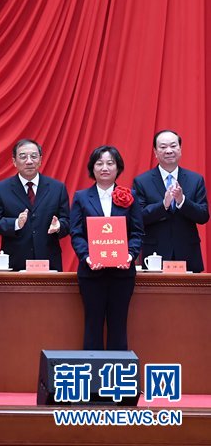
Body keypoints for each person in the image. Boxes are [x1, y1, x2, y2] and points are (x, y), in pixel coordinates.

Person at [70, 145, 144, 350]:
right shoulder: (81, 197)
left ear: (118, 168)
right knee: (92, 326)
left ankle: (118, 370)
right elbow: (76, 233)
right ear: (92, 168)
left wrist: (129, 255)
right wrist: (87, 257)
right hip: (91, 273)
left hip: (122, 274)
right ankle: (92, 369)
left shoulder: (130, 196)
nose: (104, 168)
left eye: (110, 163)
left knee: (118, 326)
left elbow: (137, 233)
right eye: (99, 163)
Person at [133, 130, 208, 272]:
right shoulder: (142, 181)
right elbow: (138, 217)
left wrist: (182, 201)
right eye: (163, 147)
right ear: (155, 152)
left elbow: (203, 216)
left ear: (180, 149)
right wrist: (163, 205)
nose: (169, 151)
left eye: (173, 146)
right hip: (155, 254)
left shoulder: (195, 179)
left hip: (187, 253)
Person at [0, 139, 70, 271]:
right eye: (23, 157)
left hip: (49, 261)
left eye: (34, 156)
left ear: (40, 160)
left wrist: (59, 226)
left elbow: (67, 221)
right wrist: (16, 223)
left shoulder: (57, 188)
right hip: (15, 262)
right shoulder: (0, 189)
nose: (29, 161)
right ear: (14, 161)